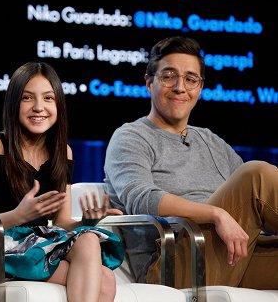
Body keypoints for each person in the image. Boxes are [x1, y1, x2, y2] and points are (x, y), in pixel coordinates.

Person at [103, 35, 278, 290]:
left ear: (200, 87)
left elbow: (255, 206)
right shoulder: (130, 136)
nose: (180, 87)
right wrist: (216, 214)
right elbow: (142, 198)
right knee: (256, 174)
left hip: (232, 257)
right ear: (148, 82)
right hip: (171, 263)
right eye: (168, 76)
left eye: (190, 79)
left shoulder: (211, 141)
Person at [0, 61, 125, 302]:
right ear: (13, 104)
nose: (39, 107)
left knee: (90, 238)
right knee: (104, 280)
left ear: (58, 104)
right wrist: (18, 215)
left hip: (41, 245)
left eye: (48, 98)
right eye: (27, 98)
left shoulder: (64, 152)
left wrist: (86, 221)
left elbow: (61, 221)